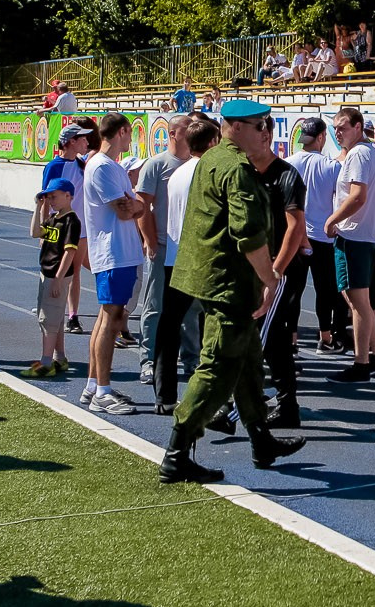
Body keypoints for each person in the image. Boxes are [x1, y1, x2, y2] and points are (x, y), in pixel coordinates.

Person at [158, 99, 305, 483]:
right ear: (237, 127)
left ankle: (261, 439)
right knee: (217, 367)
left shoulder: (214, 158)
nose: (266, 132)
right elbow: (249, 235)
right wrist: (271, 280)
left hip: (215, 280)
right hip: (229, 285)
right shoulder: (236, 168)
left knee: (247, 361)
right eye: (260, 126)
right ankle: (177, 452)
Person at [76, 113, 144, 411]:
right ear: (122, 132)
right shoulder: (103, 167)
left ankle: (94, 386)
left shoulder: (110, 166)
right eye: (130, 133)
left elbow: (134, 205)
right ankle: (102, 391)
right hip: (113, 252)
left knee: (109, 318)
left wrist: (136, 205)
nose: (131, 139)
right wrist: (137, 206)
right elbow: (126, 210)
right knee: (112, 318)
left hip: (120, 251)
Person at [137, 114, 202, 407]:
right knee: (155, 307)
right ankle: (148, 360)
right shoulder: (157, 165)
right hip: (164, 246)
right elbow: (143, 207)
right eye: (188, 128)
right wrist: (151, 241)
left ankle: (192, 359)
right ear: (174, 133)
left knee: (190, 311)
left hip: (188, 250)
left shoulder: (198, 165)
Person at [326, 106, 375, 380]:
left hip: (354, 235)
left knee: (357, 300)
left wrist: (332, 220)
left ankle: (361, 362)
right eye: (336, 127)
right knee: (358, 299)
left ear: (358, 127)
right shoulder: (369, 153)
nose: (338, 132)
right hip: (361, 234)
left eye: (343, 127)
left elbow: (357, 196)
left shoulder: (359, 154)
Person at [253, 119, 309, 428]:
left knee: (263, 340)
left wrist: (274, 273)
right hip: (254, 268)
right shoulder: (243, 171)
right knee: (272, 340)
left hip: (279, 269)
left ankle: (235, 410)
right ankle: (286, 407)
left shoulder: (287, 175)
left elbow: (295, 228)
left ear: (265, 135)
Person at [285, 117, 348, 357]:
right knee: (326, 291)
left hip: (295, 235)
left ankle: (292, 340)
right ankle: (325, 337)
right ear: (321, 137)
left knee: (293, 291)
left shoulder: (288, 163)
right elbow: (340, 200)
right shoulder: (332, 167)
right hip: (322, 236)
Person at [40, 122, 94, 335]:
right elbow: (45, 198)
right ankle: (52, 310)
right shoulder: (54, 166)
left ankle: (73, 316)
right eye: (83, 139)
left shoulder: (82, 165)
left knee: (75, 271)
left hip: (79, 227)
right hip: (59, 229)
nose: (87, 142)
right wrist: (44, 230)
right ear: (71, 141)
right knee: (57, 272)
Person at [29, 178, 82, 377]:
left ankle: (46, 362)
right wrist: (38, 206)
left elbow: (69, 253)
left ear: (68, 196)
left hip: (55, 275)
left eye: (54, 196)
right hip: (47, 273)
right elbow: (35, 232)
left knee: (47, 319)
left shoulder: (71, 221)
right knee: (56, 319)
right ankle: (60, 358)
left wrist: (59, 278)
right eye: (49, 196)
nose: (51, 200)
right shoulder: (54, 219)